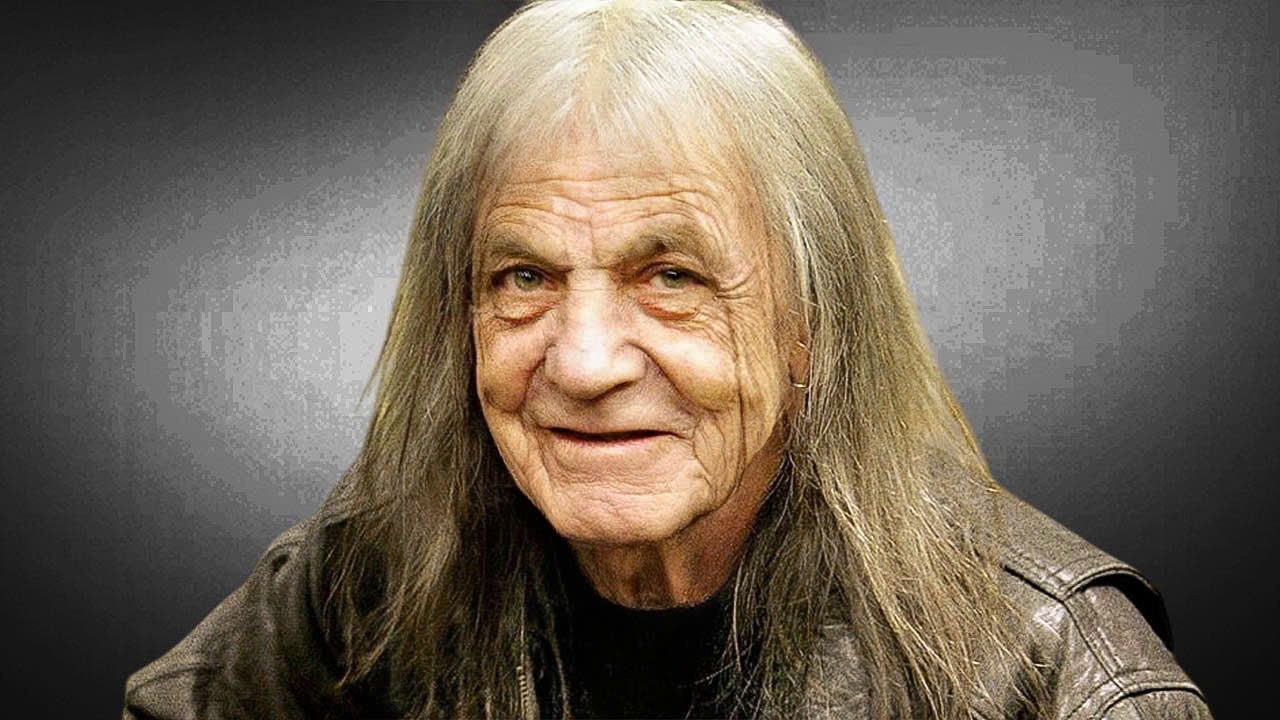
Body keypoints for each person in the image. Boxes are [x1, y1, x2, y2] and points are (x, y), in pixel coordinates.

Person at [123, 1, 1212, 718]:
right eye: (523, 276)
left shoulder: (1049, 669)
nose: (584, 363)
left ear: (813, 320)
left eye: (673, 276)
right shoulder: (374, 574)